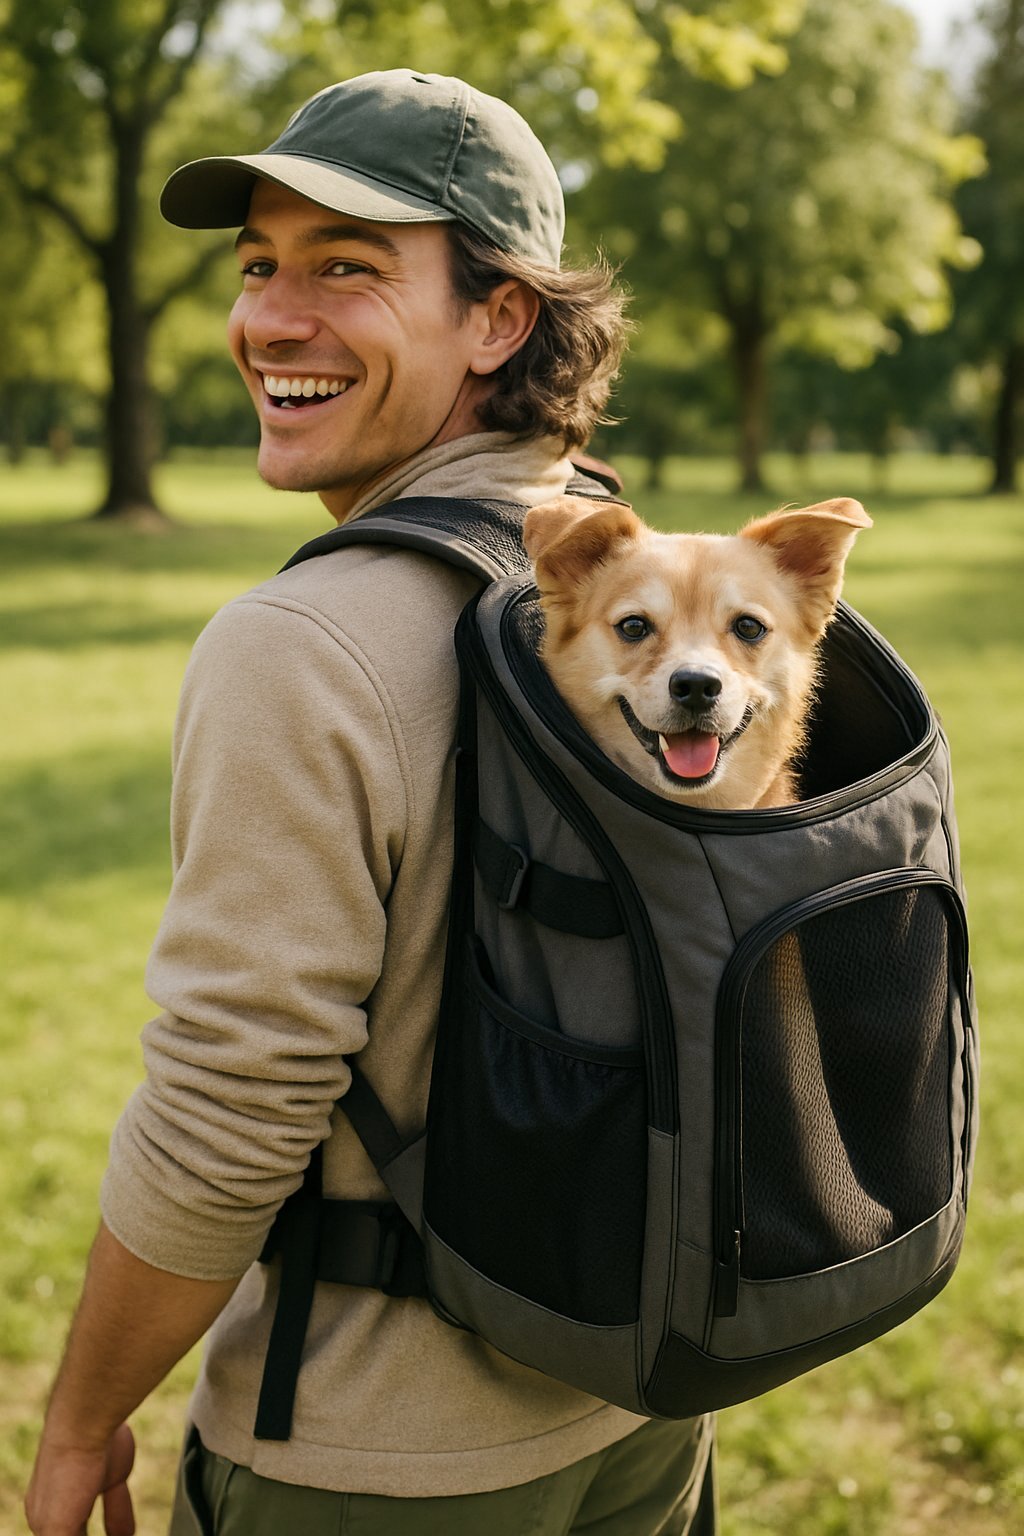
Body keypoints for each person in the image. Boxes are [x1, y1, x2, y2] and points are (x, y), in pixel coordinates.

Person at [25, 69, 715, 1536]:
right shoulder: (647, 589)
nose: (272, 319)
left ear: (499, 318)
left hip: (373, 1453)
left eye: (347, 268)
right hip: (637, 1404)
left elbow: (230, 1105)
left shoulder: (308, 644)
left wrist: (82, 1418)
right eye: (259, 267)